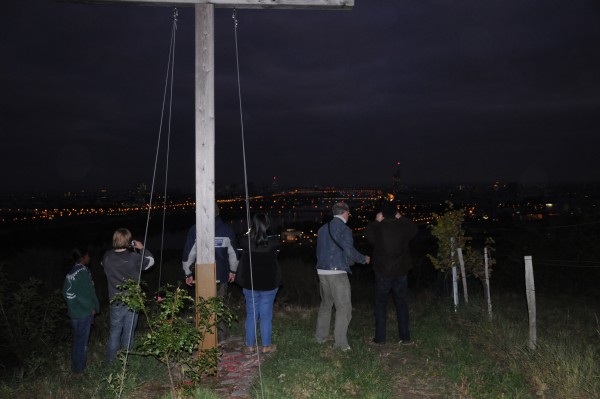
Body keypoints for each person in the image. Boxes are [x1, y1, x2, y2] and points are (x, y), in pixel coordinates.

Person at [315, 202, 370, 351]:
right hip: (337, 273)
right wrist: (363, 259)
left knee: (326, 305)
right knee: (344, 308)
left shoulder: (322, 229)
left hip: (322, 271)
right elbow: (349, 250)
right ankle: (340, 344)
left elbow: (319, 252)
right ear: (345, 212)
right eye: (349, 213)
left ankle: (320, 337)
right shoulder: (345, 229)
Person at [182, 203, 239, 341]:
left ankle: (204, 338)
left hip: (202, 276)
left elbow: (188, 254)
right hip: (222, 275)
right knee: (219, 305)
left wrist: (188, 273)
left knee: (203, 305)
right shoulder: (227, 229)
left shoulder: (195, 230)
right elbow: (233, 254)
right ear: (218, 212)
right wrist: (233, 271)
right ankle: (221, 337)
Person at [365, 202, 418, 345]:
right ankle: (405, 337)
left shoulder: (378, 228)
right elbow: (414, 229)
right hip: (401, 272)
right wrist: (401, 217)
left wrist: (376, 221)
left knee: (381, 305)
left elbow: (368, 235)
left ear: (382, 213)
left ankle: (380, 338)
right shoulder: (403, 227)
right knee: (402, 304)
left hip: (382, 272)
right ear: (396, 213)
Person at [102, 228, 154, 364]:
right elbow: (150, 261)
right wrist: (142, 248)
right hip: (132, 300)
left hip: (115, 301)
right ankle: (126, 362)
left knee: (114, 333)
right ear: (128, 241)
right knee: (129, 332)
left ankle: (111, 363)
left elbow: (103, 263)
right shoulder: (134, 258)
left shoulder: (107, 257)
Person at [236, 213, 281, 354]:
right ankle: (266, 346)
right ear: (267, 224)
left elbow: (241, 239)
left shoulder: (245, 242)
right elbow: (276, 249)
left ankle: (249, 345)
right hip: (269, 284)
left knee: (252, 314)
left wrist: (250, 230)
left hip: (250, 284)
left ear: (252, 225)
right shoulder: (274, 243)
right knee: (266, 315)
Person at [63, 247, 100, 374]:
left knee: (77, 341)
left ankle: (75, 367)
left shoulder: (71, 272)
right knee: (83, 343)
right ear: (83, 258)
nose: (90, 258)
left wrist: (73, 306)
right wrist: (92, 308)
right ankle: (81, 370)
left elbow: (67, 293)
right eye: (88, 256)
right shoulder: (83, 273)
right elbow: (85, 295)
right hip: (83, 313)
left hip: (74, 314)